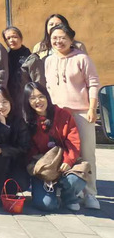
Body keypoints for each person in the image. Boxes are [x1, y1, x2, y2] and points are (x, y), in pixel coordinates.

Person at [43, 23, 100, 210]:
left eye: (62, 38)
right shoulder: (49, 60)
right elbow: (49, 87)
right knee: (64, 153)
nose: (58, 41)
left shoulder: (82, 58)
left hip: (81, 112)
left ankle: (90, 193)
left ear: (71, 39)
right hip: (59, 114)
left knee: (87, 153)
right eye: (54, 38)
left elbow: (93, 83)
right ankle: (69, 192)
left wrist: (92, 108)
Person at [24, 81, 87, 212]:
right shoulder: (27, 121)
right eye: (32, 98)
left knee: (75, 180)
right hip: (43, 167)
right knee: (47, 205)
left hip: (64, 163)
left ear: (47, 96)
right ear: (27, 102)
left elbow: (73, 141)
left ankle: (68, 197)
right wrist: (42, 163)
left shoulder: (63, 115)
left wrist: (68, 161)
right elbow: (28, 149)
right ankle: (50, 193)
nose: (38, 101)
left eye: (41, 96)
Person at [0, 86, 29, 204]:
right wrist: (2, 123)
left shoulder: (19, 121)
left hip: (14, 163)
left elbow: (24, 148)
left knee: (20, 182)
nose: (1, 106)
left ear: (10, 103)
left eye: (4, 102)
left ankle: (8, 191)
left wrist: (4, 150)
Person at [2, 26, 44, 115]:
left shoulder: (31, 59)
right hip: (10, 103)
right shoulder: (4, 58)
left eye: (14, 37)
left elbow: (39, 83)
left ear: (21, 38)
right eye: (8, 38)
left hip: (27, 102)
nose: (11, 40)